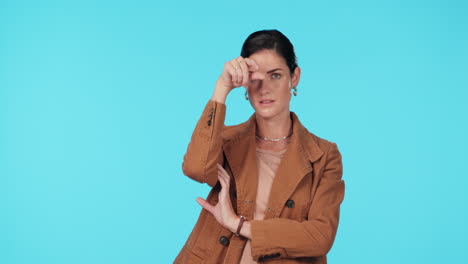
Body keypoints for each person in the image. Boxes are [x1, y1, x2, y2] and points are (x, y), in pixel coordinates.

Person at [174, 29, 345, 264]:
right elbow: (196, 169)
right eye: (255, 79)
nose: (264, 88)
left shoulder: (323, 155)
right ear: (245, 84)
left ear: (294, 77)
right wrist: (221, 89)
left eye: (275, 75)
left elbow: (319, 237)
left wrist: (237, 224)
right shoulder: (226, 141)